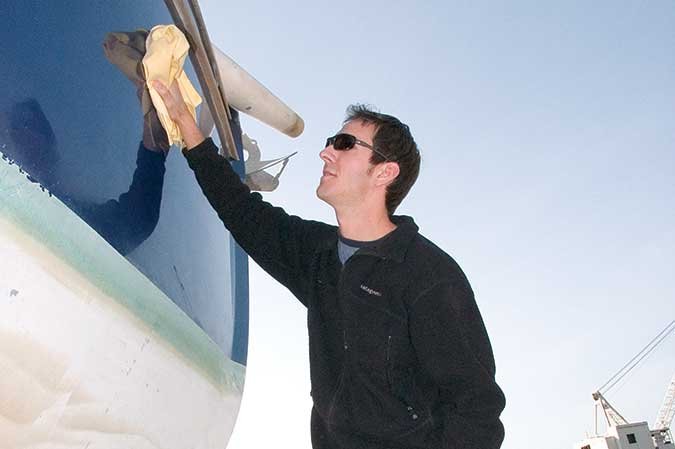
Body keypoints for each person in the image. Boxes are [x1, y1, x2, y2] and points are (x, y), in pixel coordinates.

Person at [153, 80, 506, 449]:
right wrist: (185, 124)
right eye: (329, 143)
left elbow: (477, 411)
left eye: (344, 144)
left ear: (385, 172)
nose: (325, 153)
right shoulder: (317, 255)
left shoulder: (429, 277)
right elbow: (242, 212)